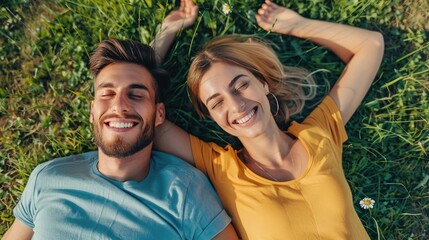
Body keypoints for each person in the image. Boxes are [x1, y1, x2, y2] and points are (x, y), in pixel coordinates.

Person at [2, 2, 239, 240]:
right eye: (107, 94)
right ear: (92, 111)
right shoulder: (48, 178)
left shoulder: (185, 193)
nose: (119, 105)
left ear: (159, 114)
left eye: (136, 95)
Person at [154, 0, 385, 239]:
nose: (235, 105)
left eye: (241, 85)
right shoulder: (219, 168)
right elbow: (135, 111)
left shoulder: (318, 133)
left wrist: (297, 25)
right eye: (216, 103)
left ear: (262, 83)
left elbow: (372, 44)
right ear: (210, 116)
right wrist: (167, 32)